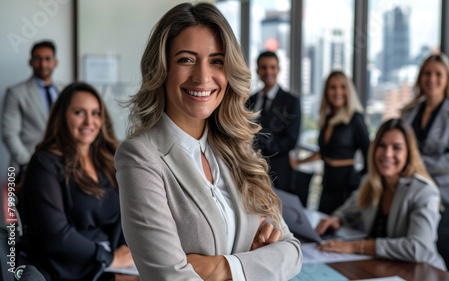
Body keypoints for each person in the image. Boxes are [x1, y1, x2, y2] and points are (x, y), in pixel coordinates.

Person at [115, 2, 302, 281]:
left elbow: (293, 252)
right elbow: (171, 278)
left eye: (216, 61)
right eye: (186, 59)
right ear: (162, 68)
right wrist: (256, 263)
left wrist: (222, 268)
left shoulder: (238, 150)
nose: (203, 77)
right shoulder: (140, 157)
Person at [18, 82, 133, 281]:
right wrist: (109, 259)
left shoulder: (108, 160)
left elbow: (124, 218)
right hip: (66, 270)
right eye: (79, 112)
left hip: (111, 265)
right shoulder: (44, 164)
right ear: (62, 117)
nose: (89, 121)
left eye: (96, 113)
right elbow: (55, 235)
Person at [315, 118, 446, 270]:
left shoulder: (424, 191)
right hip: (386, 268)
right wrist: (336, 218)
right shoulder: (372, 182)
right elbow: (349, 211)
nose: (387, 154)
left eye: (396, 147)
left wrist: (356, 247)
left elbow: (418, 248)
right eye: (382, 146)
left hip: (422, 272)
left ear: (409, 153)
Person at [290, 71, 370, 214]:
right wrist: (298, 162)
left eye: (342, 86)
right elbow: (324, 152)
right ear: (327, 91)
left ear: (348, 90)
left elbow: (369, 154)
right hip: (327, 183)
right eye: (333, 87)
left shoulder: (356, 118)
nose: (338, 91)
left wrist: (360, 183)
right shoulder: (327, 118)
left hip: (346, 186)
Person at [401, 53, 449, 205]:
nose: (432, 79)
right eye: (427, 73)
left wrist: (415, 164)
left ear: (447, 80)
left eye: (438, 74)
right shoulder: (408, 113)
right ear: (420, 77)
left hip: (445, 194)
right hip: (411, 191)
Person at [2, 40, 63, 180]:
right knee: (16, 201)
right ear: (30, 62)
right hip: (24, 167)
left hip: (60, 166)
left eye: (48, 59)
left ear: (55, 62)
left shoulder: (65, 90)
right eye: (38, 59)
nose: (43, 64)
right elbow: (9, 134)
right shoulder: (15, 92)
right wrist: (30, 163)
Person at [245, 51, 302, 192]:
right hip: (249, 167)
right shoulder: (250, 99)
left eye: (272, 67)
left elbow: (291, 140)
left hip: (278, 170)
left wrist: (261, 149)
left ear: (278, 69)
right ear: (258, 70)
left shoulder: (291, 101)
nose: (268, 71)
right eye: (263, 67)